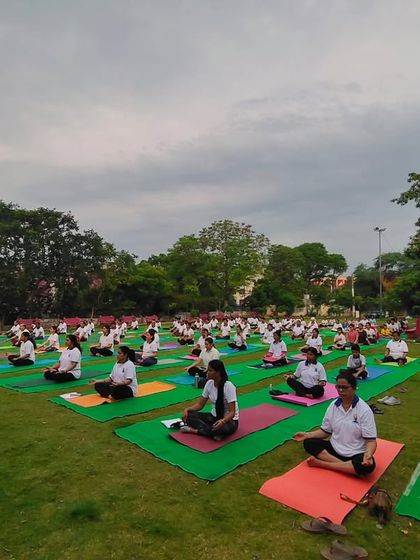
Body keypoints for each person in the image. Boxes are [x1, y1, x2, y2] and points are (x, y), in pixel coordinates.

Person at [293, 371, 377, 476]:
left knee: (369, 466)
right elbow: (325, 431)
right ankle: (346, 467)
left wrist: (368, 455)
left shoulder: (364, 410)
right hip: (335, 449)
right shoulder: (333, 406)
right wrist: (307, 435)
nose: (341, 390)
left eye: (345, 387)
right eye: (338, 387)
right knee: (309, 442)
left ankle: (323, 464)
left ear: (355, 388)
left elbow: (371, 441)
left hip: (355, 453)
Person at [181, 359, 239, 440]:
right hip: (214, 416)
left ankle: (195, 431)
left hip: (229, 421)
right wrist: (187, 409)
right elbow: (200, 405)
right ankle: (211, 431)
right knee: (188, 416)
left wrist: (223, 421)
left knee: (223, 428)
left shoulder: (228, 386)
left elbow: (232, 412)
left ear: (218, 373)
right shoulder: (209, 384)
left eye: (210, 370)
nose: (207, 372)